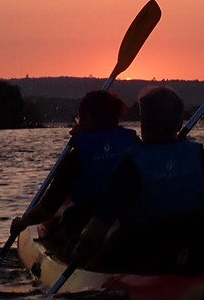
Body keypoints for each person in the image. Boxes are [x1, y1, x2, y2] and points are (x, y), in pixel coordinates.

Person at [73, 86, 204, 275]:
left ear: (143, 122)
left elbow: (96, 230)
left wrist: (79, 251)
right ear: (179, 123)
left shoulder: (130, 166)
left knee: (109, 238)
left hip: (148, 261)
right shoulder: (201, 156)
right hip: (200, 254)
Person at [9, 89, 136, 254]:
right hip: (133, 223)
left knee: (69, 219)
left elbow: (48, 208)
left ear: (88, 118)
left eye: (79, 118)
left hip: (90, 225)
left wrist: (23, 222)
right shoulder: (135, 143)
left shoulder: (77, 156)